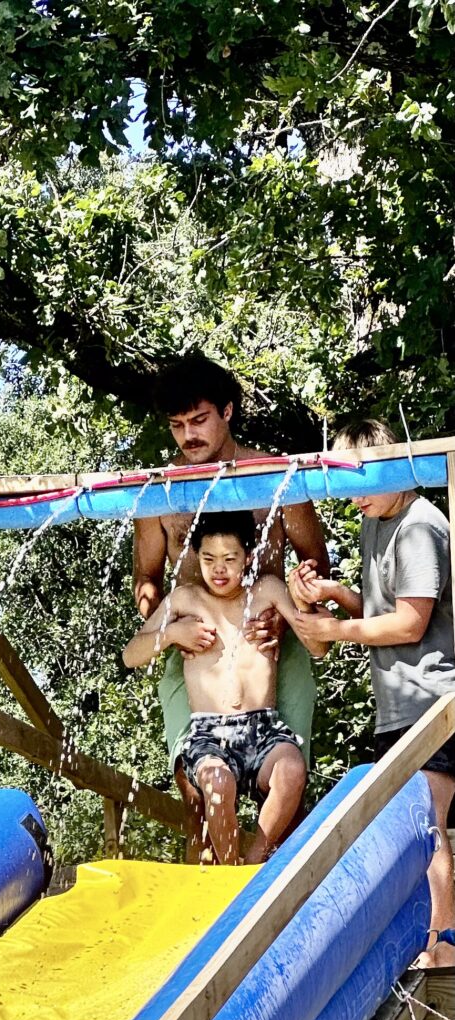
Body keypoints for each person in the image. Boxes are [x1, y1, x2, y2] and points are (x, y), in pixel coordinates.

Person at [133, 352, 330, 862]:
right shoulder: (160, 492)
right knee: (197, 794)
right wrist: (168, 629)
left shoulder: (276, 476)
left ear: (228, 411)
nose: (188, 436)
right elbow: (146, 580)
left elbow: (315, 561)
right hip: (195, 655)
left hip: (273, 649)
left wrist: (287, 617)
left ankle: (275, 884)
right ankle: (216, 894)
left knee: (288, 786)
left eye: (199, 420)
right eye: (177, 425)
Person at [290, 418, 455, 968]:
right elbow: (382, 611)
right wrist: (335, 593)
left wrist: (334, 629)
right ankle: (421, 942)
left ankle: (443, 946)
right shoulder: (375, 521)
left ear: (389, 469)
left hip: (433, 704)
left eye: (358, 484)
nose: (351, 498)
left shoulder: (419, 526)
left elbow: (410, 622)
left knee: (426, 823)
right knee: (406, 829)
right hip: (396, 709)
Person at [124, 511, 329, 864]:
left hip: (264, 726)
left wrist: (300, 610)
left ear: (248, 557)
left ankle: (255, 862)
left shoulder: (267, 591)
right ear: (196, 556)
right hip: (209, 732)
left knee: (292, 773)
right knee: (211, 790)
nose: (219, 569)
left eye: (229, 559)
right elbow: (131, 653)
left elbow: (319, 645)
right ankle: (229, 870)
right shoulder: (185, 600)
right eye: (209, 560)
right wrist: (172, 633)